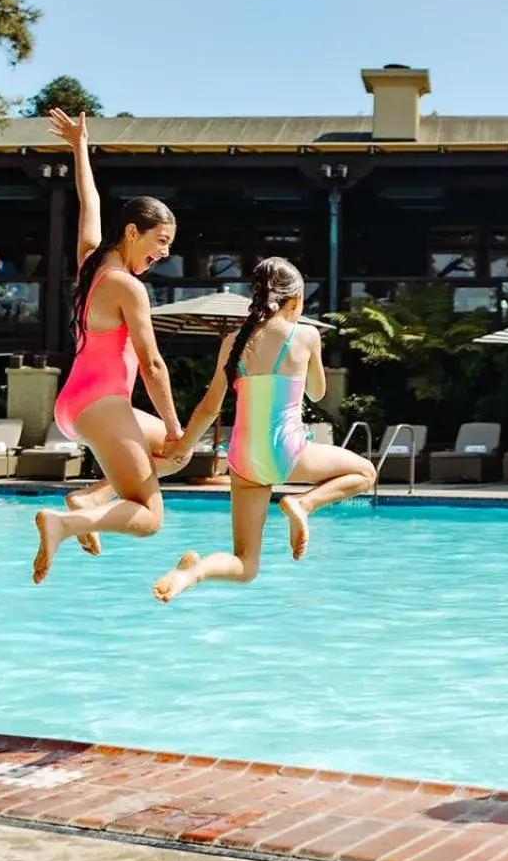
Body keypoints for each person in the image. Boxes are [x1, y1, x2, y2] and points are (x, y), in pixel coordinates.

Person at [151, 257, 376, 603]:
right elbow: (318, 393)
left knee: (245, 564)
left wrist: (183, 447)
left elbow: (210, 407)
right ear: (295, 300)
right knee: (365, 472)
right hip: (287, 451)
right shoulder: (306, 335)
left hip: (243, 460)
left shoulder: (233, 341)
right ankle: (303, 504)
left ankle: (191, 573)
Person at [31, 109, 188, 584]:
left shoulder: (90, 264)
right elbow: (152, 364)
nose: (164, 253)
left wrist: (80, 147)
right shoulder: (126, 286)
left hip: (77, 402)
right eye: (160, 241)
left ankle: (90, 499)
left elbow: (90, 201)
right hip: (101, 404)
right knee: (149, 516)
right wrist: (175, 424)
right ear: (132, 232)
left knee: (177, 455)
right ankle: (65, 524)